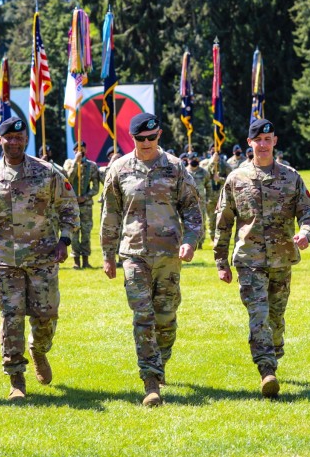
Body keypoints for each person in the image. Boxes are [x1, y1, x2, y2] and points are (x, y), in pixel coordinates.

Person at [0, 117, 80, 401]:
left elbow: (69, 207)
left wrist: (64, 240)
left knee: (46, 316)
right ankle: (16, 379)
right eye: (10, 138)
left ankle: (39, 350)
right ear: (0, 140)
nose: (15, 142)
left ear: (26, 140)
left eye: (20, 137)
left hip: (43, 258)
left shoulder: (47, 172)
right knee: (11, 318)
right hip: (6, 261)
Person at [100, 112, 202, 407]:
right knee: (143, 317)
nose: (146, 143)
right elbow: (110, 215)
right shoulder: (118, 169)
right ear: (131, 139)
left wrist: (190, 241)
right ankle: (151, 381)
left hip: (169, 254)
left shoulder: (175, 168)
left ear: (159, 136)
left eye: (151, 138)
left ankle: (161, 361)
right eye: (140, 139)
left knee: (166, 317)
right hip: (134, 254)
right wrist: (107, 254)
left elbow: (193, 211)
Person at [214, 118, 310, 398]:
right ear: (250, 143)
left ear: (274, 141)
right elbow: (223, 223)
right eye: (257, 140)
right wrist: (221, 262)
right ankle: (266, 371)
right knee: (258, 317)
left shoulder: (290, 177)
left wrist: (307, 233)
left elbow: (309, 213)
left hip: (282, 260)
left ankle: (274, 352)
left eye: (267, 139)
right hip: (249, 261)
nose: (262, 145)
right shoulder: (236, 179)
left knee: (276, 318)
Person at [63, 141, 100, 269]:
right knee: (73, 233)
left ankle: (86, 260)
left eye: (82, 148)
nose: (80, 151)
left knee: (86, 233)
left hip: (86, 206)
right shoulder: (68, 163)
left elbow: (96, 187)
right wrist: (75, 163)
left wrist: (85, 197)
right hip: (72, 205)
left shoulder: (92, 166)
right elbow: (67, 178)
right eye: (77, 149)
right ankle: (76, 261)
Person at [200, 143, 231, 243]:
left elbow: (231, 179)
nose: (214, 152)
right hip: (210, 198)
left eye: (216, 150)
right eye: (212, 150)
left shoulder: (225, 164)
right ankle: (213, 239)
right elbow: (203, 176)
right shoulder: (204, 163)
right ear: (209, 151)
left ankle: (221, 239)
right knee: (211, 221)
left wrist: (220, 179)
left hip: (221, 197)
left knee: (222, 220)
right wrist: (212, 163)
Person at [187, 151, 211, 247]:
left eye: (196, 160)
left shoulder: (204, 172)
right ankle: (189, 242)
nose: (195, 161)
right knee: (187, 222)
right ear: (188, 160)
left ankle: (200, 242)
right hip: (187, 203)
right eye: (193, 159)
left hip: (201, 202)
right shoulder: (184, 172)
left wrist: (208, 198)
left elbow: (208, 187)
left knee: (201, 222)